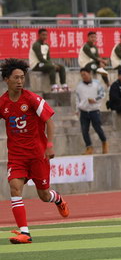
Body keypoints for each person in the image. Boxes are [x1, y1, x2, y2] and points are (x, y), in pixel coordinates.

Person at [1, 58, 70, 244]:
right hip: (17, 156)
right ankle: (25, 232)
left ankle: (58, 199)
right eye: (16, 78)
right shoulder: (3, 102)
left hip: (37, 155)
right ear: (6, 79)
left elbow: (50, 122)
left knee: (44, 195)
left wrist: (49, 145)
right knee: (15, 188)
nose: (20, 81)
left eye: (22, 77)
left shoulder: (31, 99)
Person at [74, 68, 107, 155]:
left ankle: (104, 142)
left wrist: (95, 100)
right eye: (82, 75)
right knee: (84, 130)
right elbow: (77, 99)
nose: (83, 76)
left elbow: (102, 94)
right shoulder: (79, 86)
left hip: (94, 110)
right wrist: (77, 109)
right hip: (84, 110)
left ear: (89, 73)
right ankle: (89, 147)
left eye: (85, 74)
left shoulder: (97, 84)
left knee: (97, 128)